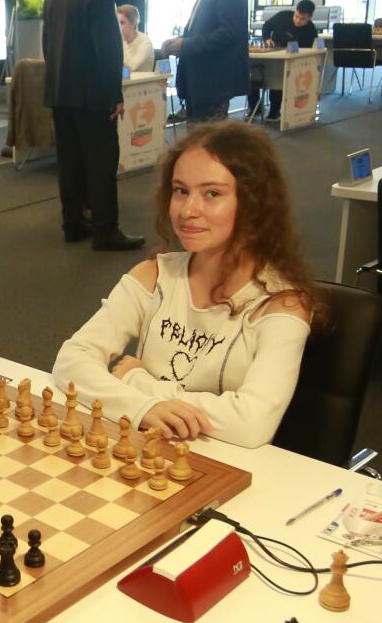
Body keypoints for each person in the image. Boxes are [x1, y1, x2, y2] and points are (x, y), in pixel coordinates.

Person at [53, 123, 318, 446]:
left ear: (254, 204)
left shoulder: (282, 303)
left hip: (224, 463)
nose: (188, 210)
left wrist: (138, 381)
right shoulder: (153, 275)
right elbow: (71, 360)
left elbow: (252, 424)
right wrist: (144, 408)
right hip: (148, 449)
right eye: (180, 191)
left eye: (212, 194)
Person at [44, 0, 141, 250]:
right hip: (92, 96)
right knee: (101, 163)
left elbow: (47, 45)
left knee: (69, 162)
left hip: (61, 93)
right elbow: (107, 48)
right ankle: (105, 230)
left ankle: (72, 224)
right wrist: (115, 95)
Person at [159, 0, 251, 126]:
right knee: (198, 139)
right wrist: (180, 42)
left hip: (212, 83)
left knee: (208, 141)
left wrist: (186, 45)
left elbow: (229, 33)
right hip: (200, 81)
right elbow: (206, 28)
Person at [258, 0, 319, 120]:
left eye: (302, 19)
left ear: (310, 17)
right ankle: (254, 108)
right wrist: (267, 38)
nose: (297, 21)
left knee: (278, 81)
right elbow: (267, 26)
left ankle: (274, 112)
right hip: (272, 53)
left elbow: (307, 53)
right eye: (296, 16)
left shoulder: (311, 31)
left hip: (291, 61)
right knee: (254, 74)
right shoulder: (283, 15)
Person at [117, 4, 157, 75]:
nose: (118, 27)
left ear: (133, 23)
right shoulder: (120, 41)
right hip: (124, 81)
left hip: (142, 81)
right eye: (117, 23)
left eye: (122, 23)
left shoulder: (145, 42)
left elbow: (130, 67)